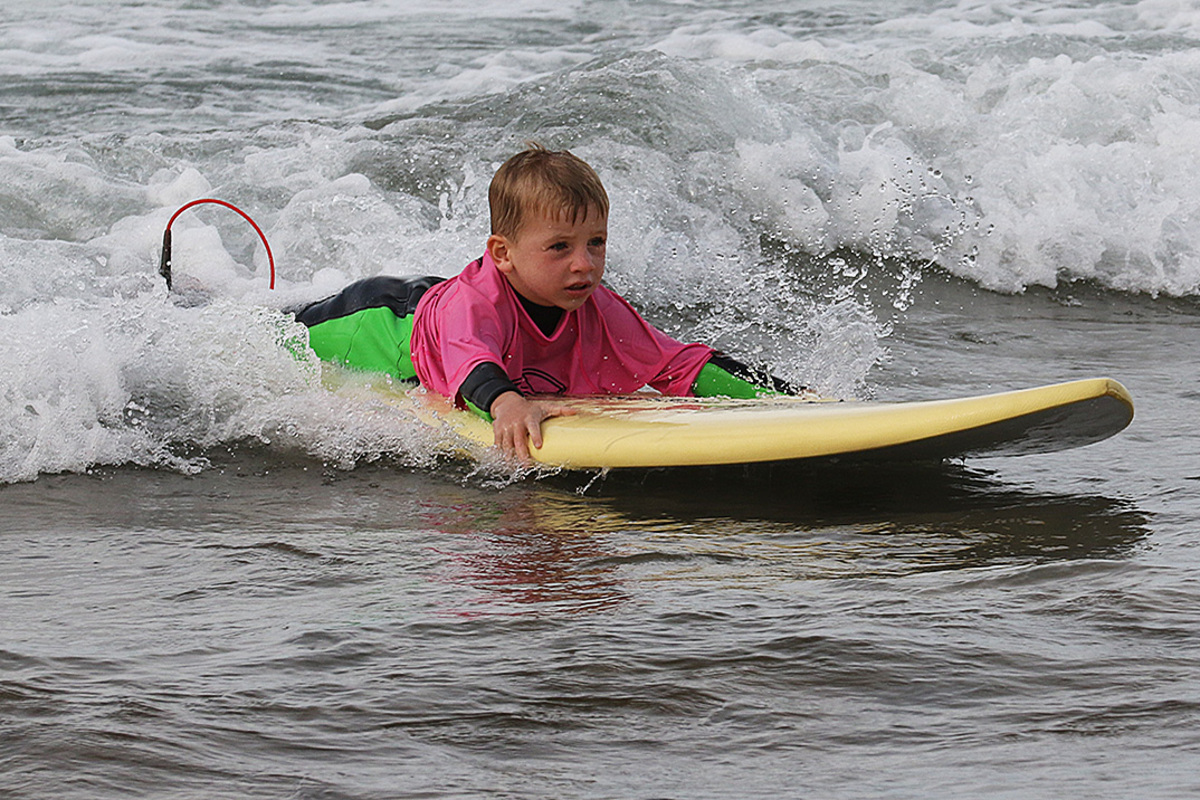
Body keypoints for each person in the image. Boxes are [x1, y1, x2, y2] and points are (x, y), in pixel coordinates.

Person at [294, 144, 795, 461]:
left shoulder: (595, 305)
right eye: (560, 247)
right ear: (503, 253)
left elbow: (678, 365)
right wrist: (508, 402)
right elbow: (472, 358)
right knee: (274, 339)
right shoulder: (476, 304)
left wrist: (786, 401)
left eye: (595, 243)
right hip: (379, 324)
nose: (584, 264)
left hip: (432, 311)